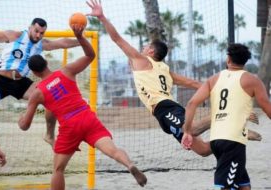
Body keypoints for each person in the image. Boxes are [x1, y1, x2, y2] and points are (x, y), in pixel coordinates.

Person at [86, 0, 261, 157]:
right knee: (203, 151)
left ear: (151, 52)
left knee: (190, 130)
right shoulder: (164, 69)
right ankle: (240, 133)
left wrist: (102, 17)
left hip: (165, 107)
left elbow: (117, 38)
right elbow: (193, 83)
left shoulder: (142, 61)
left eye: (146, 46)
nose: (143, 47)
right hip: (165, 110)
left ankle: (232, 116)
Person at [18, 24, 147, 189]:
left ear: (34, 73)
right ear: (47, 63)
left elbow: (25, 126)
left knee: (58, 170)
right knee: (113, 151)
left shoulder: (37, 93)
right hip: (87, 117)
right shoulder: (66, 71)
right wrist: (79, 37)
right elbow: (90, 55)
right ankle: (129, 165)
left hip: (69, 126)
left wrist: (21, 120)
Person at [181, 43, 271, 190]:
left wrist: (187, 131)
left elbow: (191, 103)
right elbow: (267, 108)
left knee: (243, 185)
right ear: (245, 61)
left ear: (228, 59)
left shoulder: (213, 79)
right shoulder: (252, 80)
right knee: (224, 186)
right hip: (233, 142)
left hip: (216, 139)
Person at [0, 18, 81, 146]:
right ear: (30, 28)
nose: (38, 35)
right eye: (36, 31)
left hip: (21, 82)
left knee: (52, 95)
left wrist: (80, 40)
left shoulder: (41, 44)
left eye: (42, 33)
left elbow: (62, 43)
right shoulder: (15, 36)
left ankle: (49, 135)